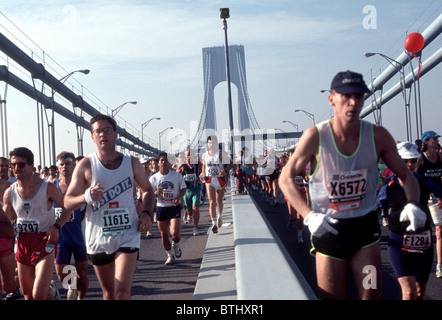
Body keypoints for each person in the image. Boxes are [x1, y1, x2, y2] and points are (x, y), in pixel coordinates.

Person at [279, 70, 426, 300]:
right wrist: (308, 216)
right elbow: (285, 179)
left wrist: (413, 204)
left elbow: (407, 177)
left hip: (364, 232)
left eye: (359, 96)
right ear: (331, 99)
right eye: (346, 95)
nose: (353, 102)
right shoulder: (315, 137)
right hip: (329, 230)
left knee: (370, 296)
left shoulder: (378, 136)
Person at [64, 114, 155, 300]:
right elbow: (67, 201)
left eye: (107, 130)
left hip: (127, 233)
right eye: (98, 131)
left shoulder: (132, 163)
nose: (102, 134)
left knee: (121, 292)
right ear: (92, 137)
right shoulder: (85, 165)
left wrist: (146, 213)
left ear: (115, 134)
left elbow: (147, 190)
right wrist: (86, 196)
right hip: (98, 237)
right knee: (109, 294)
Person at [3, 147, 72, 300]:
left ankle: (51, 290)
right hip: (22, 243)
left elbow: (68, 208)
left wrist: (57, 226)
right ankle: (51, 291)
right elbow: (5, 221)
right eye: (12, 165)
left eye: (20, 165)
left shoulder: (47, 188)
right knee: (28, 295)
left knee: (38, 295)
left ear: (31, 166)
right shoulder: (10, 192)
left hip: (44, 242)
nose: (15, 169)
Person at [386, 142, 435, 299]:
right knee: (409, 292)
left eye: (413, 160)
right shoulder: (388, 187)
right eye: (405, 160)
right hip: (399, 243)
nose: (410, 164)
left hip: (423, 243)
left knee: (420, 292)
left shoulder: (426, 183)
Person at [52, 151, 89, 300]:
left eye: (68, 163)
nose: (64, 167)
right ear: (57, 167)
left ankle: (81, 298)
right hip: (60, 237)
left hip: (79, 236)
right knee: (62, 273)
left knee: (83, 272)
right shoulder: (51, 187)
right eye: (61, 164)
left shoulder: (83, 186)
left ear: (74, 165)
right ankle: (71, 285)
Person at [149, 152, 186, 265]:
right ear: (158, 163)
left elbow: (183, 188)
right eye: (161, 160)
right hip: (161, 208)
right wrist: (156, 192)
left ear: (169, 163)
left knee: (175, 234)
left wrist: (179, 198)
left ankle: (176, 245)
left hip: (174, 207)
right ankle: (170, 255)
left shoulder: (177, 176)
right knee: (164, 235)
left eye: (165, 160)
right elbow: (150, 195)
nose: (163, 162)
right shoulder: (153, 178)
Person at [415, 130, 442, 278]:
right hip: (426, 198)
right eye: (434, 139)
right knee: (426, 230)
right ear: (426, 142)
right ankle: (420, 261)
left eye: (437, 139)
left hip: (439, 197)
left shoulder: (440, 157)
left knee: (439, 231)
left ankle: (439, 265)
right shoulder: (421, 159)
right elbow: (416, 178)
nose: (437, 141)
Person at [200, 135, 233, 234]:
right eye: (209, 142)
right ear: (207, 144)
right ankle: (214, 223)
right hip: (209, 180)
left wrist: (225, 170)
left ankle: (220, 215)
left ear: (216, 143)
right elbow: (204, 167)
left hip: (220, 179)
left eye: (213, 142)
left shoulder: (221, 153)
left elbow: (231, 164)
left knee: (219, 202)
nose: (211, 144)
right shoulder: (205, 155)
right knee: (211, 201)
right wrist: (203, 174)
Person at [177, 148, 202, 236]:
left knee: (196, 208)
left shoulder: (197, 164)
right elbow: (176, 175)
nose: (189, 157)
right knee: (189, 210)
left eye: (191, 155)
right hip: (187, 191)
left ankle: (195, 228)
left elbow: (203, 171)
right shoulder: (183, 165)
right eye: (188, 155)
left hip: (196, 189)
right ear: (186, 156)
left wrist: (201, 178)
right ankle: (188, 214)